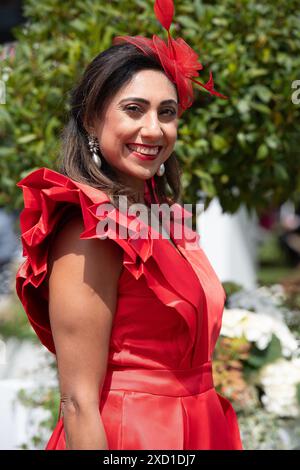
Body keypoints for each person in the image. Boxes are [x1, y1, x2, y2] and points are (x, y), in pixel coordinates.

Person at [15, 0, 243, 450]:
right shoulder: (89, 231)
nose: (153, 129)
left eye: (167, 112)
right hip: (129, 438)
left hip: (199, 427)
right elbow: (78, 401)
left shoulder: (161, 217)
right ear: (92, 118)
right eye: (134, 109)